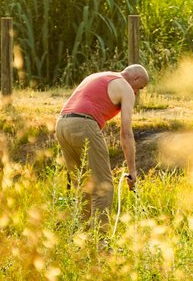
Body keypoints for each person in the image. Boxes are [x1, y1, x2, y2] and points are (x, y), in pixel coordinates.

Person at [55, 64, 149, 227]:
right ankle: (101, 244)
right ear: (135, 79)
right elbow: (126, 133)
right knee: (103, 185)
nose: (136, 92)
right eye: (139, 88)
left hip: (62, 125)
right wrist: (132, 170)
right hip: (84, 125)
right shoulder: (125, 87)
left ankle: (79, 239)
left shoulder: (97, 76)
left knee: (83, 186)